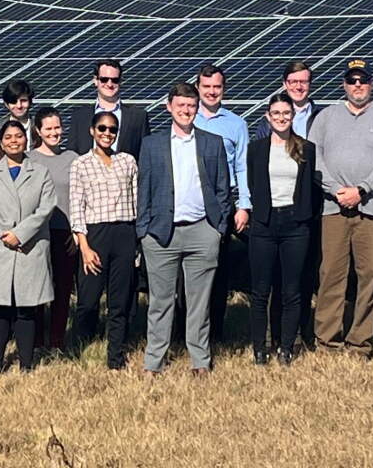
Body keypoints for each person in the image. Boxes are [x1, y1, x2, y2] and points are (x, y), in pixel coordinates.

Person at [308, 59, 373, 359]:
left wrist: (361, 189)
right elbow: (315, 157)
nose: (357, 86)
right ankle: (327, 342)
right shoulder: (326, 117)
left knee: (370, 276)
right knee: (331, 275)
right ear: (344, 85)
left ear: (371, 84)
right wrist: (337, 190)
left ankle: (360, 343)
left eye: (363, 80)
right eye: (352, 81)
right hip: (332, 208)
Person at [137, 83, 231, 375]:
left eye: (191, 106)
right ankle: (154, 362)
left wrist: (218, 228)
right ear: (169, 107)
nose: (186, 111)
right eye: (180, 105)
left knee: (198, 303)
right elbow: (144, 190)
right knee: (160, 302)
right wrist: (144, 231)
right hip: (162, 234)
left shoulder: (212, 143)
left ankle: (200, 361)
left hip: (202, 232)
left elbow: (222, 189)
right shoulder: (152, 144)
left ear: (197, 108)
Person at [0, 121, 57, 374]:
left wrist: (20, 234)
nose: (13, 141)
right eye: (8, 137)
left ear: (26, 139)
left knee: (26, 310)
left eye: (18, 136)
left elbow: (46, 208)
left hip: (29, 248)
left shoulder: (40, 172)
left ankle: (26, 364)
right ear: (1, 141)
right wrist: (3, 233)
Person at [254, 59, 323, 351]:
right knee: (271, 283)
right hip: (271, 216)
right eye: (293, 82)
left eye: (304, 81)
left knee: (304, 278)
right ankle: (271, 338)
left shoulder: (323, 118)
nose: (298, 86)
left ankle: (300, 336)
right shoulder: (263, 129)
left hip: (308, 212)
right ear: (285, 84)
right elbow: (254, 173)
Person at [69, 110, 137, 368]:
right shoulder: (81, 164)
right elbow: (77, 205)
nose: (107, 133)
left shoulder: (128, 161)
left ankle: (116, 356)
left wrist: (136, 242)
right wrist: (84, 246)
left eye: (112, 130)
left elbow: (136, 198)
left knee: (120, 301)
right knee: (88, 299)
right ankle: (78, 348)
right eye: (102, 128)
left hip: (124, 232)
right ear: (92, 131)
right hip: (95, 234)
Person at [193, 64, 250, 344]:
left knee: (217, 270)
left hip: (222, 202)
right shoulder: (185, 117)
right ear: (198, 89)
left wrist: (244, 205)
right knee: (188, 273)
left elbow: (242, 167)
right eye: (206, 87)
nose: (212, 92)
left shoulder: (236, 124)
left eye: (217, 87)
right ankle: (186, 333)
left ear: (223, 89)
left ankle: (214, 334)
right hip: (190, 202)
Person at [27, 107, 79, 352]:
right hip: (38, 233)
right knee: (37, 288)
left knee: (62, 289)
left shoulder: (72, 158)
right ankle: (36, 341)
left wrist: (77, 232)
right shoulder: (29, 159)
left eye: (57, 127)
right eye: (48, 128)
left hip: (65, 233)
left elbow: (80, 197)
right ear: (38, 130)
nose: (54, 132)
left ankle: (57, 340)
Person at [65, 59, 151, 159]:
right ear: (95, 80)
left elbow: (145, 155)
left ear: (120, 81)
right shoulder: (80, 116)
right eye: (104, 79)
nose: (109, 84)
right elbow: (70, 155)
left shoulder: (138, 117)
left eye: (114, 80)